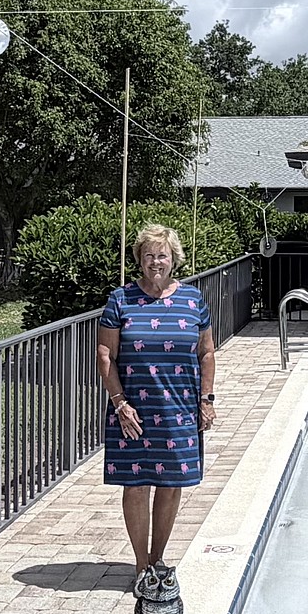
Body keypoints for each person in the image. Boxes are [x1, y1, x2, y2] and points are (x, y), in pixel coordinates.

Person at [96, 223, 216, 587]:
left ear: (173, 259)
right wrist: (120, 403)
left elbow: (206, 352)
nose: (155, 262)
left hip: (179, 408)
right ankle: (139, 565)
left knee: (170, 484)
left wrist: (206, 400)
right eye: (148, 255)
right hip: (133, 410)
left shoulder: (193, 300)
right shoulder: (120, 299)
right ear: (140, 260)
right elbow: (105, 355)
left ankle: (158, 559)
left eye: (162, 255)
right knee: (135, 485)